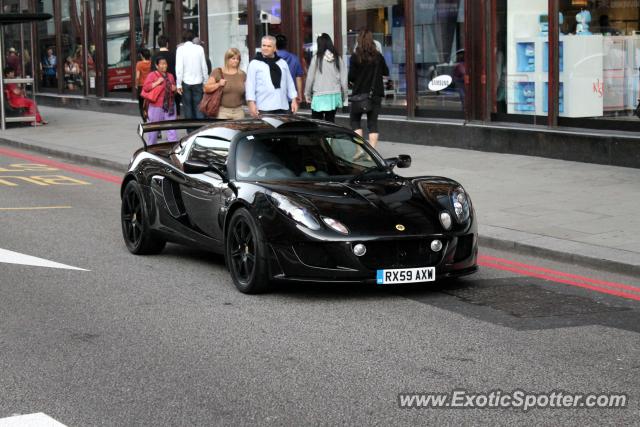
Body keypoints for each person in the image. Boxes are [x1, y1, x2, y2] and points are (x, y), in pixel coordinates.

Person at [348, 29, 389, 148]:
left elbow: (351, 76)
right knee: (373, 123)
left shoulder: (355, 57)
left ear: (359, 40)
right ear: (372, 41)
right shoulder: (378, 56)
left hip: (359, 95)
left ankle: (360, 151)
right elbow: (386, 71)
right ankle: (372, 153)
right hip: (375, 94)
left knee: (355, 121)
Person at [246, 35, 298, 117]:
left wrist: (294, 100)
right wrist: (251, 103)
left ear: (274, 48)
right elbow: (250, 85)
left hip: (283, 107)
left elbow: (290, 83)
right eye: (264, 45)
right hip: (263, 108)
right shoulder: (254, 63)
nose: (265, 48)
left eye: (269, 46)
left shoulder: (282, 63)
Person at [304, 33, 347, 123]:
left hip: (319, 95)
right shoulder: (337, 58)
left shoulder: (316, 58)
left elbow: (310, 78)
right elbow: (344, 79)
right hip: (334, 95)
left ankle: (318, 137)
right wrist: (344, 95)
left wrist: (307, 94)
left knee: (316, 123)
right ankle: (329, 137)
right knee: (330, 122)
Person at [142, 57, 177, 144]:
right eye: (161, 63)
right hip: (156, 107)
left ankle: (172, 149)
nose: (164, 65)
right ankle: (151, 149)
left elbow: (174, 89)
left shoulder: (170, 76)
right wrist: (157, 82)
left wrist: (174, 89)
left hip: (170, 106)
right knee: (153, 131)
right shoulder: (152, 75)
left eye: (165, 63)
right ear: (156, 65)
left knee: (172, 129)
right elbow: (146, 88)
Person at [203, 48, 246, 119]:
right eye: (233, 58)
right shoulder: (218, 72)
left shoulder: (242, 74)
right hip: (223, 112)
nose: (236, 61)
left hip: (239, 112)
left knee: (238, 130)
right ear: (227, 59)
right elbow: (206, 88)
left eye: (238, 59)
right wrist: (218, 84)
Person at [175, 30, 208, 119]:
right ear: (193, 38)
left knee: (187, 107)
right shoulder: (199, 48)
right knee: (198, 106)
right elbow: (204, 66)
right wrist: (205, 81)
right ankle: (200, 129)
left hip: (186, 82)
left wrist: (178, 84)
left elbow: (179, 68)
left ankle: (190, 130)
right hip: (198, 81)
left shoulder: (180, 49)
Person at [152, 35, 180, 116]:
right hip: (171, 84)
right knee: (173, 103)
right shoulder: (173, 55)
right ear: (167, 44)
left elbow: (152, 71)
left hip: (159, 85)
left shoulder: (154, 56)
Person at [275, 34, 304, 103]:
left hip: (274, 97)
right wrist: (299, 94)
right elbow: (298, 78)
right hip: (291, 97)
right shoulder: (294, 58)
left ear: (274, 45)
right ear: (286, 45)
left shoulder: (270, 59)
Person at [135, 48, 152, 120]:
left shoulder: (139, 64)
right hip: (150, 86)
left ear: (142, 56)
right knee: (150, 103)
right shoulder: (151, 63)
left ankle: (144, 119)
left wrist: (136, 85)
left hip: (141, 86)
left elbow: (137, 76)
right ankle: (150, 117)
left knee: (141, 104)